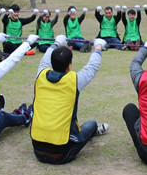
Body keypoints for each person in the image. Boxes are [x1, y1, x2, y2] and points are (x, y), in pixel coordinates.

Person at [30, 35, 110, 164]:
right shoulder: (75, 80)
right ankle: (93, 130)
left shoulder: (41, 74)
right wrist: (98, 47)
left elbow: (45, 60)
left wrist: (56, 43)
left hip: (37, 150)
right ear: (69, 66)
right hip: (61, 154)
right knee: (91, 124)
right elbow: (92, 67)